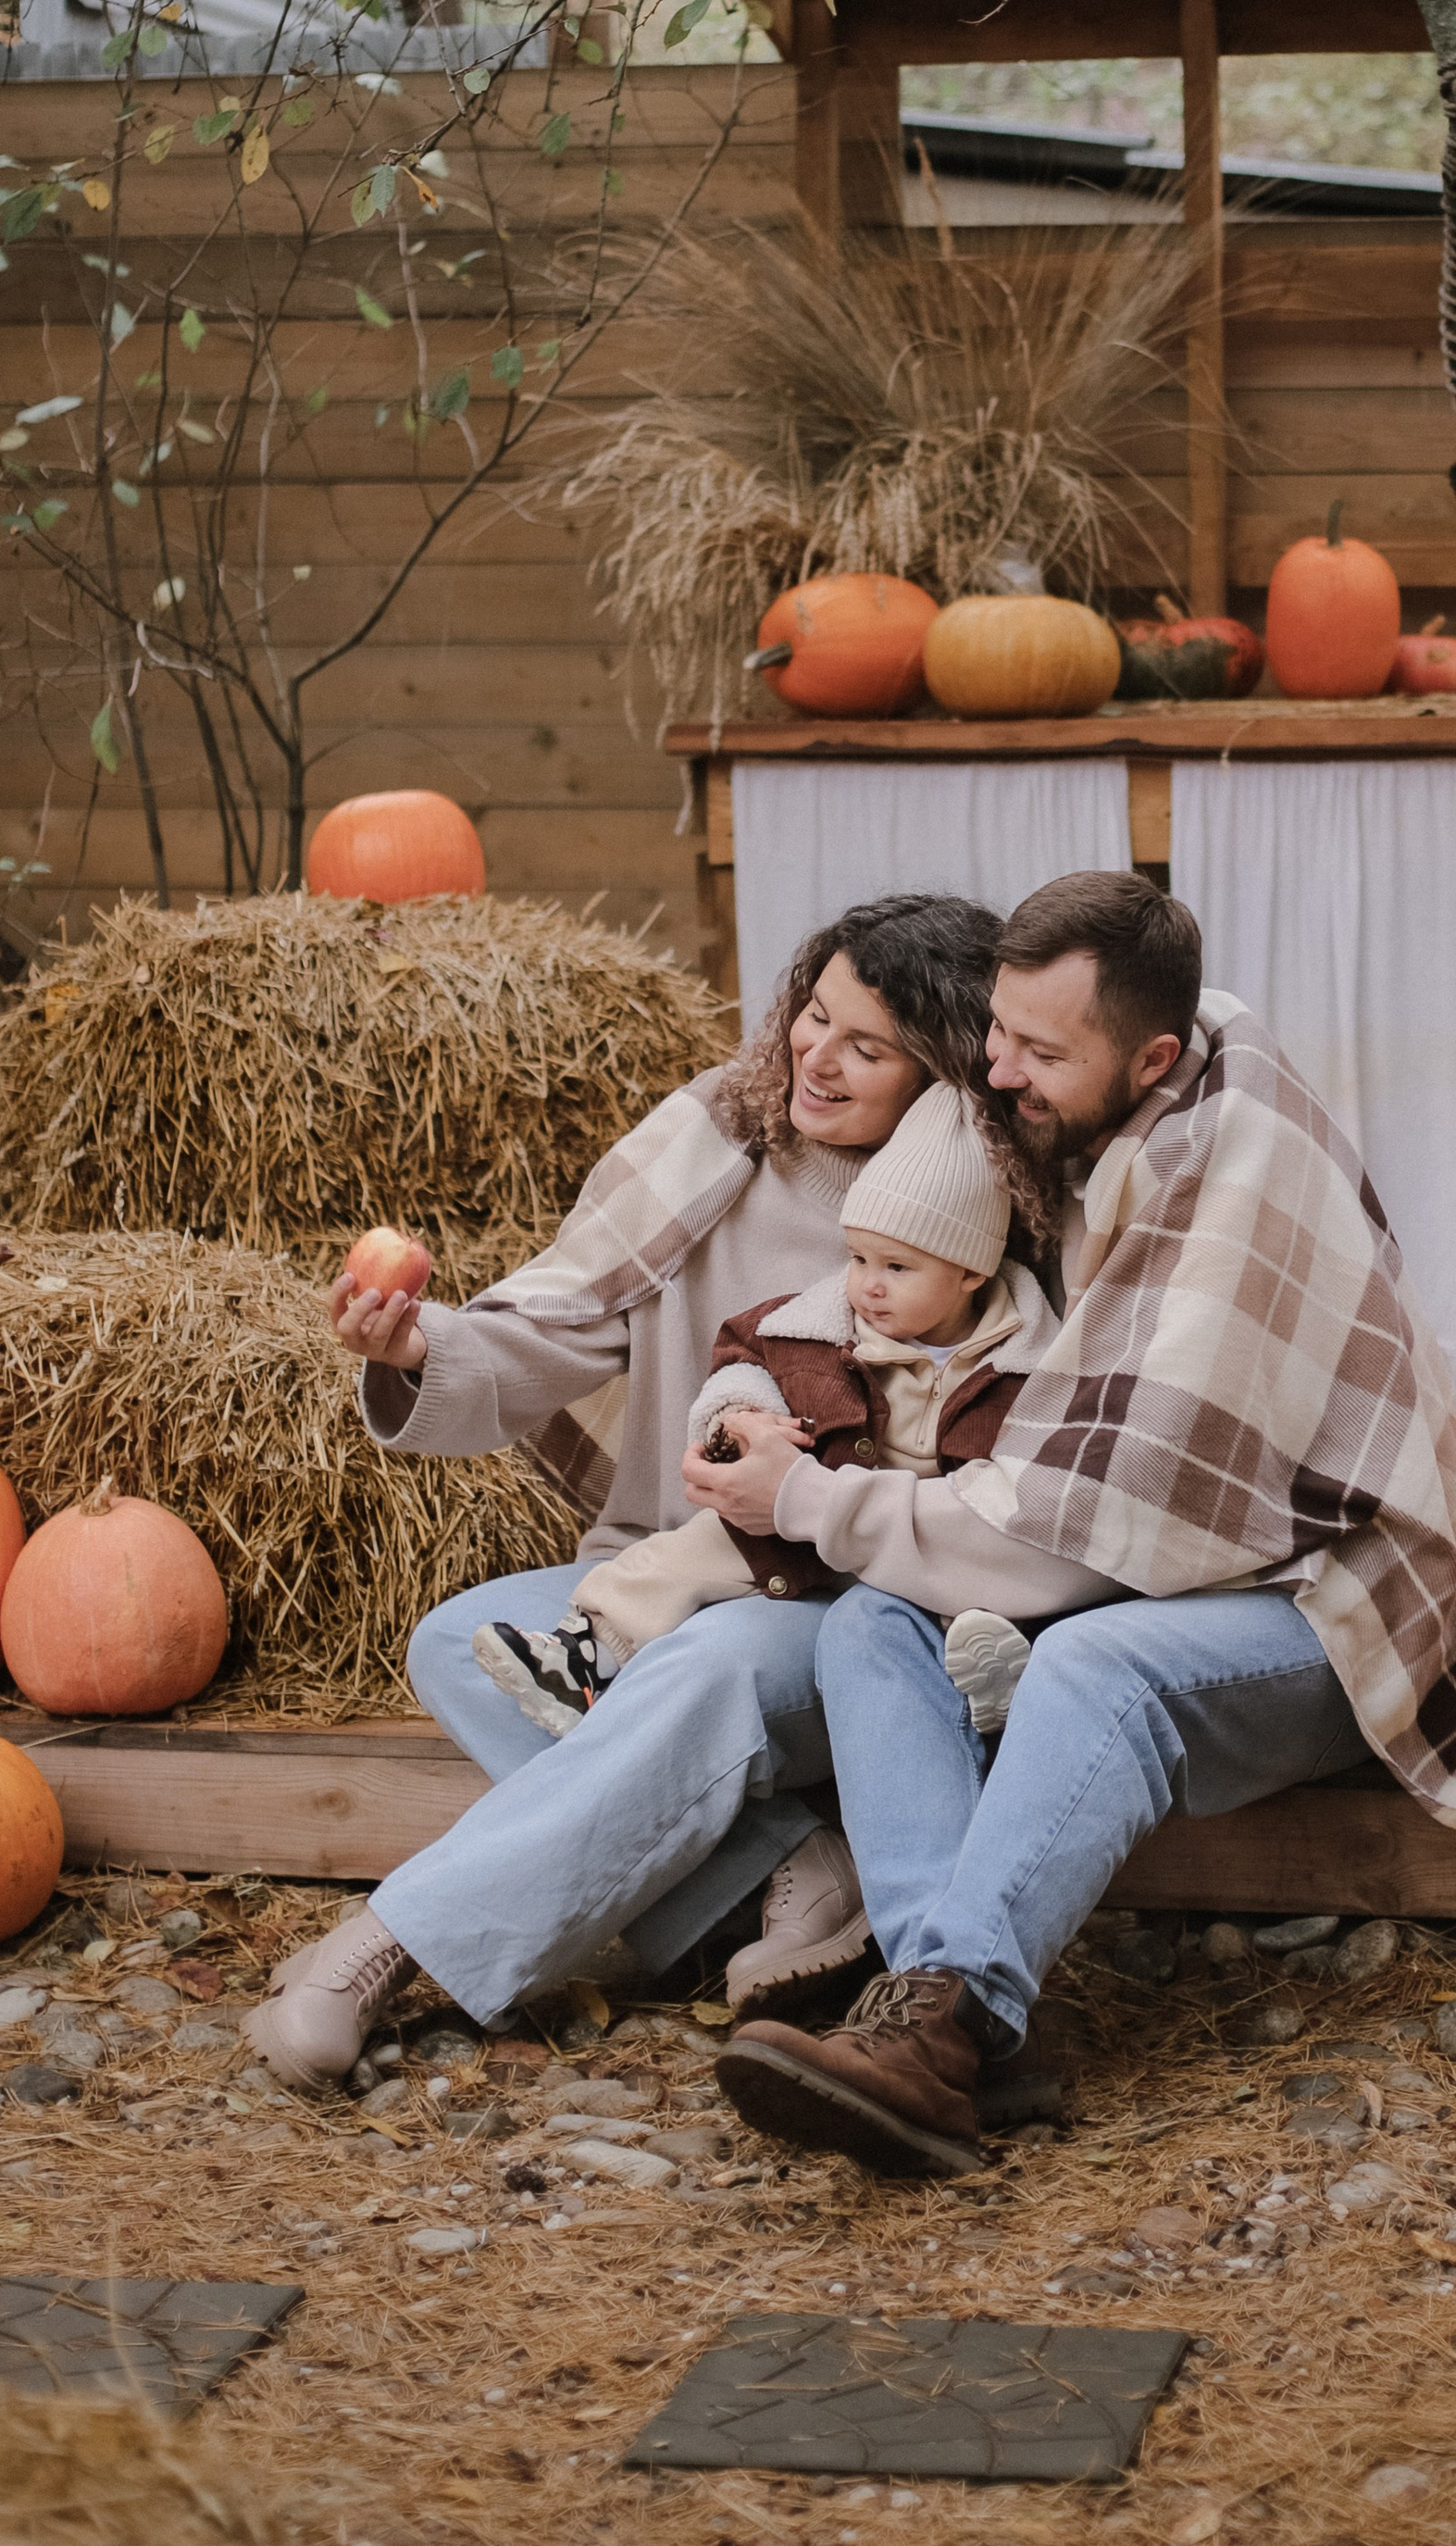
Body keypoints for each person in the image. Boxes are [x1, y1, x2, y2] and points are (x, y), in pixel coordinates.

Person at [702, 870, 1456, 2180]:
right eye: (998, 1033)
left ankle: (940, 2021)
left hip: (1345, 1598)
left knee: (1096, 1673)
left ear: (1149, 1054)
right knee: (872, 1622)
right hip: (1201, 1573)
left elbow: (1072, 1541)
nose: (998, 1073)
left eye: (1041, 1053)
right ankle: (949, 2021)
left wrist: (811, 1500)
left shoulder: (1228, 1164)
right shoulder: (1110, 1103)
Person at [245, 893, 1046, 2093]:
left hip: (859, 1601)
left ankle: (388, 1948)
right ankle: (794, 1867)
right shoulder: (716, 1140)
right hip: (686, 1559)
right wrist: (419, 1351)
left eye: (864, 1048)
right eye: (812, 1017)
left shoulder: (983, 1206)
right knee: (464, 1638)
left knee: (702, 1666)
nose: (812, 1058)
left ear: (939, 1076)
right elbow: (559, 1319)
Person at [465, 1083, 1055, 1745]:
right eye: (858, 1258)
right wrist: (746, 1413)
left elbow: (1029, 1490)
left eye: (897, 1266)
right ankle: (585, 1657)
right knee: (689, 1550)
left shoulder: (1031, 1360)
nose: (870, 1284)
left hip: (923, 1545)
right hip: (807, 1525)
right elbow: (745, 1358)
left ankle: (995, 1673)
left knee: (981, 1590)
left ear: (972, 1273)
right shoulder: (818, 1323)